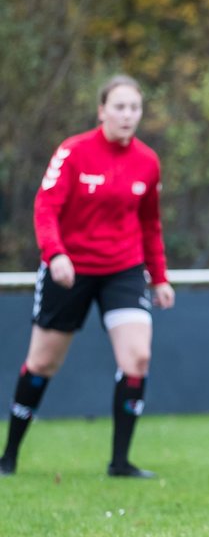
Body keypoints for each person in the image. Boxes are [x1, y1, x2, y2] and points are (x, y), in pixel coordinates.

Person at [1, 75, 175, 479]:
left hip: (125, 269)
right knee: (42, 363)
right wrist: (55, 254)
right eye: (119, 107)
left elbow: (150, 223)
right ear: (101, 111)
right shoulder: (73, 151)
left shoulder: (147, 161)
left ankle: (120, 463)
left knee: (138, 358)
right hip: (70, 270)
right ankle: (8, 456)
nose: (128, 115)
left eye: (134, 108)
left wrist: (160, 277)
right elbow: (45, 208)